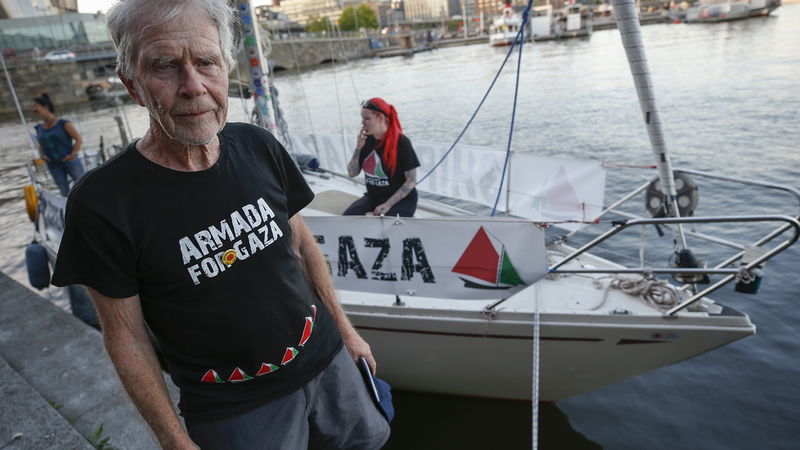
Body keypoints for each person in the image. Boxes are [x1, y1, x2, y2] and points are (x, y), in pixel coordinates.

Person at [50, 1, 389, 448]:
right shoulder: (102, 204)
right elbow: (126, 338)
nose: (193, 86)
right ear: (132, 84)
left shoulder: (257, 145)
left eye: (207, 62)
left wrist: (346, 332)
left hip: (328, 361)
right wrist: (175, 440)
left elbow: (304, 247)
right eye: (166, 66)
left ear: (225, 68)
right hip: (237, 410)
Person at [344, 98, 420, 217]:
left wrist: (387, 205)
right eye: (362, 118)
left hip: (401, 201)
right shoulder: (366, 140)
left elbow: (411, 181)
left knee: (380, 225)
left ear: (380, 118)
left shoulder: (401, 142)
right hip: (374, 198)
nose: (363, 123)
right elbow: (352, 173)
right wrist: (358, 148)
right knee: (348, 218)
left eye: (367, 118)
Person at [33, 93, 85, 196]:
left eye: (35, 106)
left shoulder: (63, 123)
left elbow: (78, 139)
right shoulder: (39, 127)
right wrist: (42, 155)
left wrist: (73, 154)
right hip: (53, 164)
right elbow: (40, 144)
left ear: (45, 107)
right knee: (63, 191)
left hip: (70, 161)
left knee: (83, 186)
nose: (33, 109)